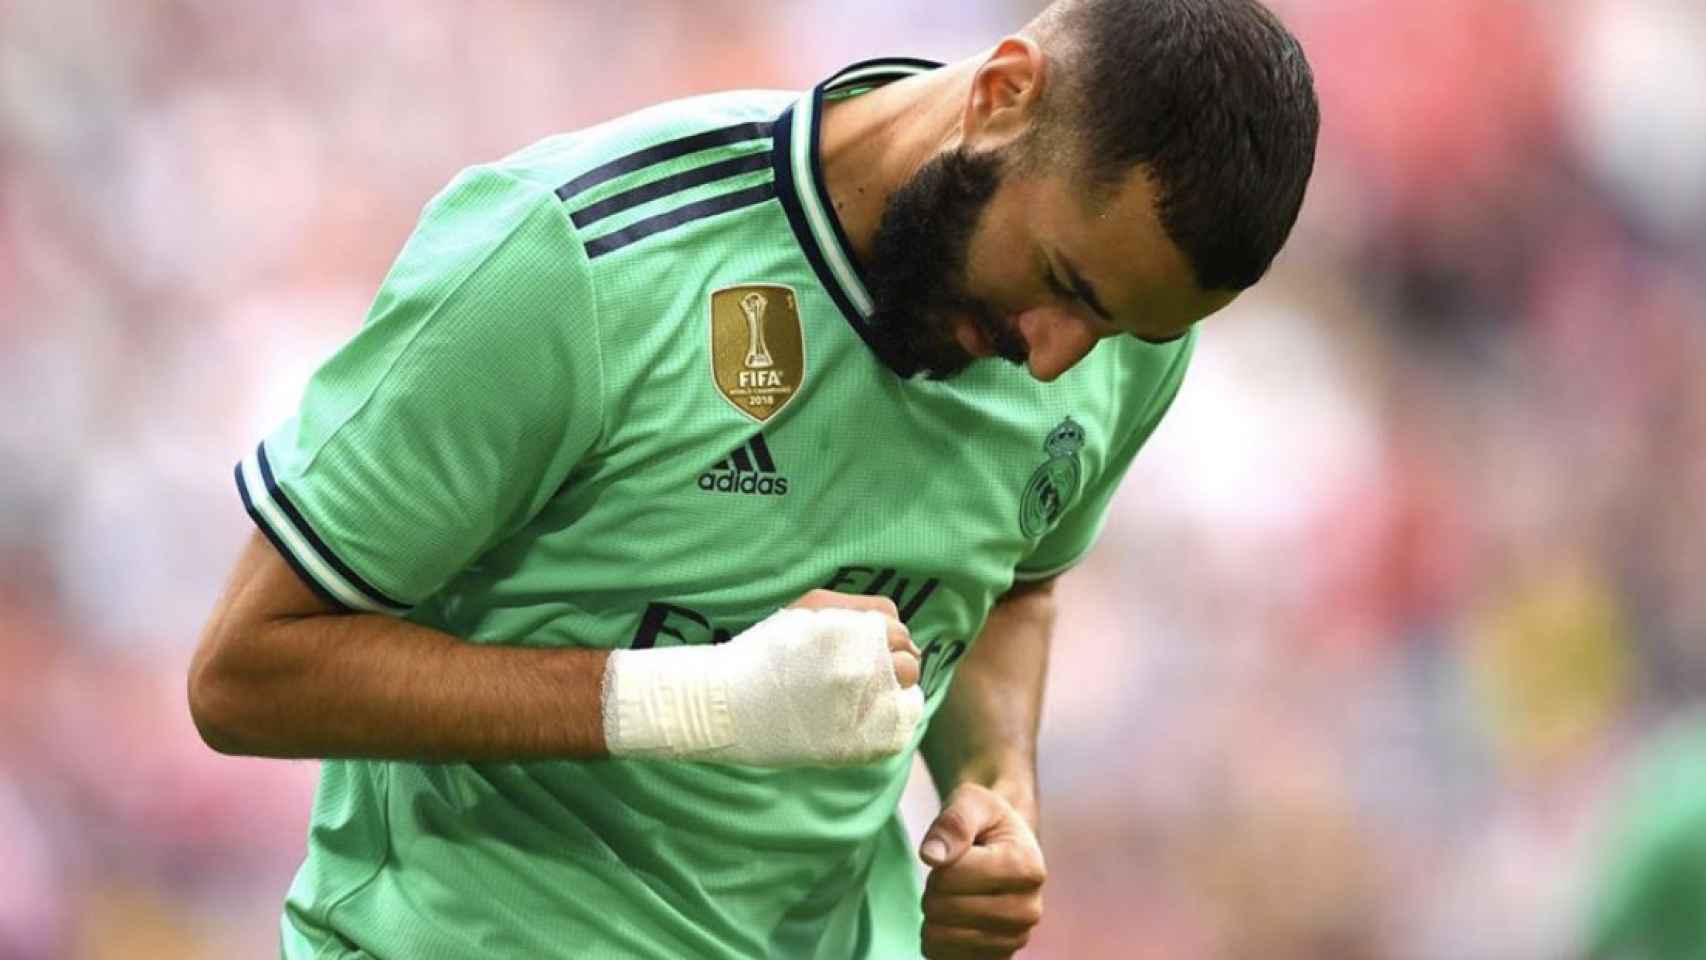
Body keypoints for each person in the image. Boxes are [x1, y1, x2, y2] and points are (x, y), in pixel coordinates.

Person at [188, 0, 1319, 956]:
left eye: (1112, 327)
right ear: (1003, 96)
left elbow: (1014, 584)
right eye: (1060, 282)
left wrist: (996, 792)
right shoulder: (573, 261)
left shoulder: (1125, 334)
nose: (1054, 355)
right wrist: (696, 701)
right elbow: (247, 673)